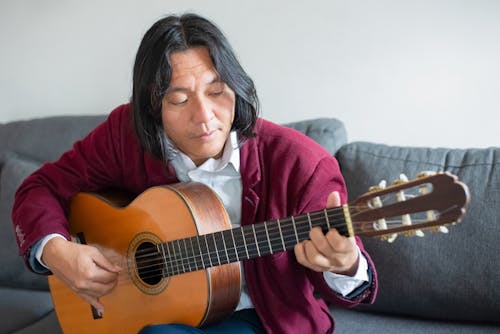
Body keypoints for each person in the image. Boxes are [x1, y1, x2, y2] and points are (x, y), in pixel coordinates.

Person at [12, 13, 377, 334]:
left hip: (262, 317)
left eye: (217, 91)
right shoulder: (125, 135)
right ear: (151, 106)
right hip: (156, 313)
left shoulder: (301, 163)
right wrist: (58, 252)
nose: (204, 117)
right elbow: (41, 187)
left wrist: (345, 264)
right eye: (180, 100)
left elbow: (347, 278)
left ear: (238, 86)